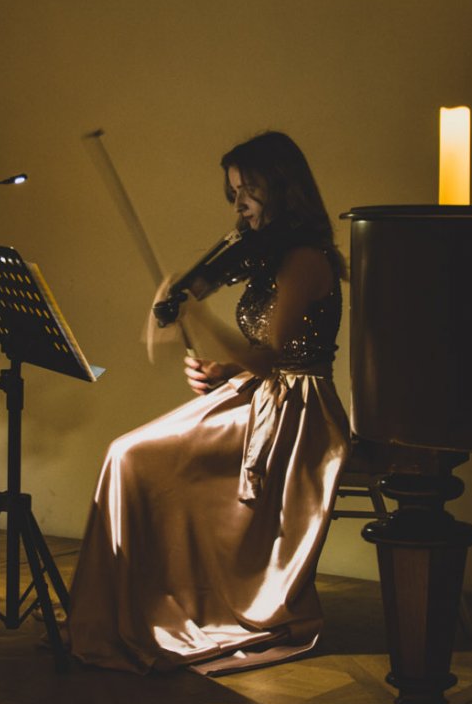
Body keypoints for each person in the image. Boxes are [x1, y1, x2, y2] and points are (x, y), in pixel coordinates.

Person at [66, 130, 350, 673]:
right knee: (127, 454)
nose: (239, 206)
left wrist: (197, 316)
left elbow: (271, 358)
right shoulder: (270, 257)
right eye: (233, 191)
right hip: (258, 395)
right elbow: (254, 362)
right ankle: (134, 612)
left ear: (282, 189)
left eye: (249, 190)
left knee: (132, 457)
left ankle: (157, 612)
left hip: (298, 414)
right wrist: (221, 370)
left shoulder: (304, 260)